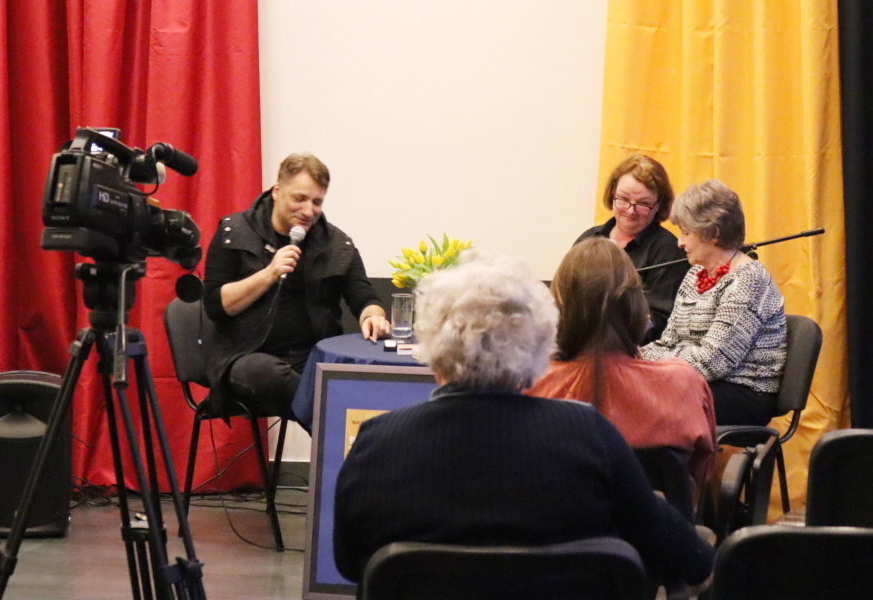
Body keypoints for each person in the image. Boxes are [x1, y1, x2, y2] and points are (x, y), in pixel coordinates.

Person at [333, 252, 714, 590]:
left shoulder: (376, 442)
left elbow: (349, 563)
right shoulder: (590, 434)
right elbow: (691, 560)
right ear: (538, 344)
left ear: (431, 347)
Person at [202, 153, 389, 428]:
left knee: (363, 377)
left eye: (317, 202)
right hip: (244, 355)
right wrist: (269, 273)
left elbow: (364, 295)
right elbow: (215, 305)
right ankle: (342, 426)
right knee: (266, 373)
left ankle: (341, 431)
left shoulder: (336, 244)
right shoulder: (235, 231)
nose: (308, 210)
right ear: (277, 191)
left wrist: (373, 315)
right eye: (299, 199)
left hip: (311, 356)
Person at [527, 237, 717, 487]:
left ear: (558, 306)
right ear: (636, 305)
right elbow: (700, 473)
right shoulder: (684, 383)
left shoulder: (528, 386)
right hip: (649, 512)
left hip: (552, 510)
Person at [641, 179, 787, 426]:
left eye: (686, 233)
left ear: (714, 233)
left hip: (743, 391)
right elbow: (668, 342)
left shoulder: (748, 279)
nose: (680, 242)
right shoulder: (694, 276)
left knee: (648, 400)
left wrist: (653, 366)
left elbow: (713, 361)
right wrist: (635, 358)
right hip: (695, 380)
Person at [575, 154, 690, 342]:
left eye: (643, 203)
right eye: (623, 199)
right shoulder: (588, 239)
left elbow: (659, 324)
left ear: (658, 205)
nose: (630, 210)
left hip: (632, 350)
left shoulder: (668, 251)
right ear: (612, 194)